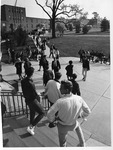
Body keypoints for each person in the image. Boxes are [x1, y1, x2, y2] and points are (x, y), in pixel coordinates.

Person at [47, 80, 91, 147]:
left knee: (62, 143)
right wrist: (80, 115)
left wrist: (53, 119)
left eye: (61, 88)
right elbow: (88, 111)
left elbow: (49, 113)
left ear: (67, 90)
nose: (59, 89)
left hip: (63, 125)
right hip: (73, 124)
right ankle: (82, 143)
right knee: (78, 126)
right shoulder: (79, 98)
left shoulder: (60, 102)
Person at [21, 67, 45, 135]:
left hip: (27, 100)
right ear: (32, 74)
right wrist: (38, 96)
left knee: (32, 112)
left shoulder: (23, 81)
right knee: (42, 112)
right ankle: (31, 126)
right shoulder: (30, 82)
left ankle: (31, 125)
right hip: (32, 100)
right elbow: (34, 93)